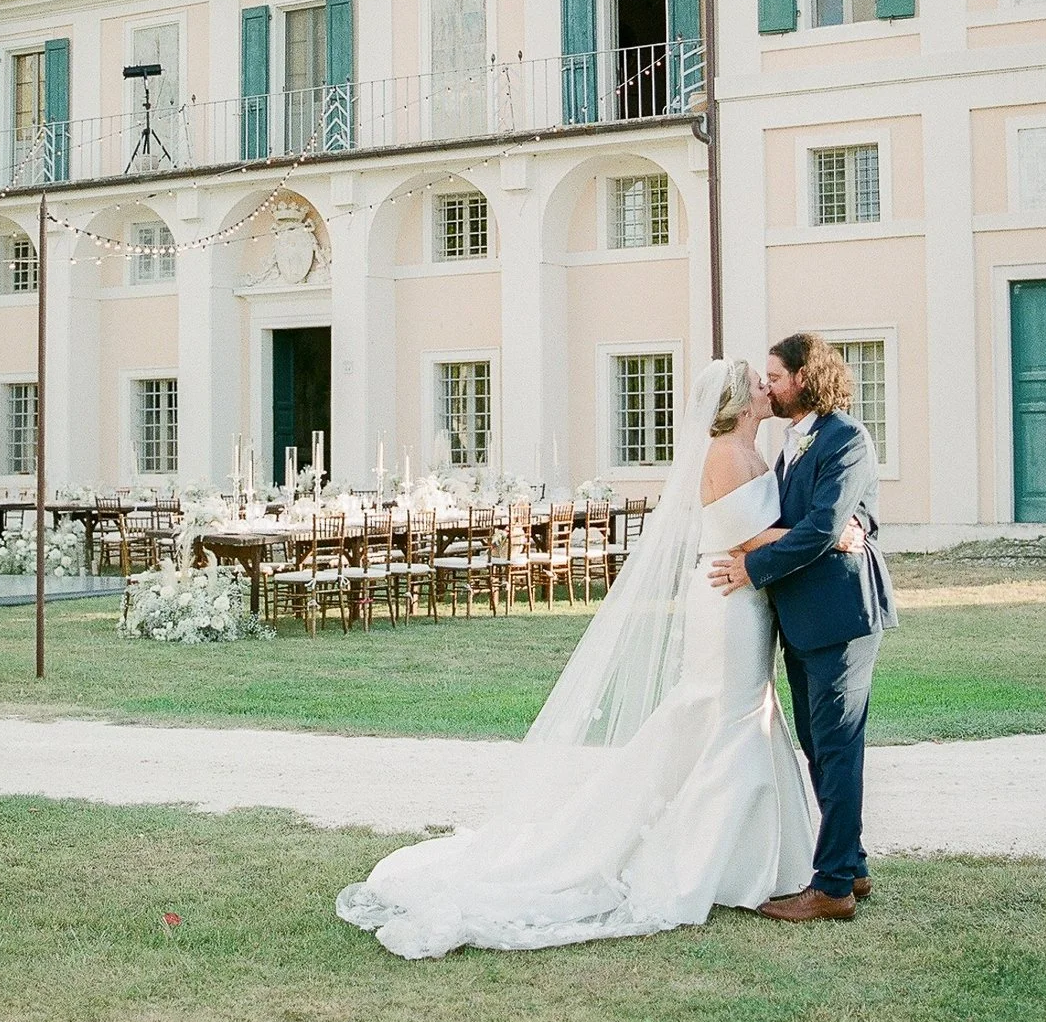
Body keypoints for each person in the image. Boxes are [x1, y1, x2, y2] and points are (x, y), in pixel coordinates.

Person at [335, 358, 868, 958]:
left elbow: (778, 524)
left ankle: (785, 860)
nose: (767, 388)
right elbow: (745, 538)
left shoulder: (760, 451)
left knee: (745, 714)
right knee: (724, 715)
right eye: (758, 382)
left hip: (748, 599)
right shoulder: (722, 453)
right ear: (742, 403)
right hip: (727, 600)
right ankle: (703, 861)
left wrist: (823, 527)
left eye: (771, 378)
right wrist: (833, 532)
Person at [706, 332, 897, 921]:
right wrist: (850, 522)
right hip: (800, 616)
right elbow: (820, 519)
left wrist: (750, 566)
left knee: (837, 749)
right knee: (819, 747)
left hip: (841, 615)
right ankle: (854, 864)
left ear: (806, 378)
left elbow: (819, 528)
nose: (769, 386)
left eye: (778, 376)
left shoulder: (846, 437)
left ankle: (833, 886)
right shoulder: (792, 440)